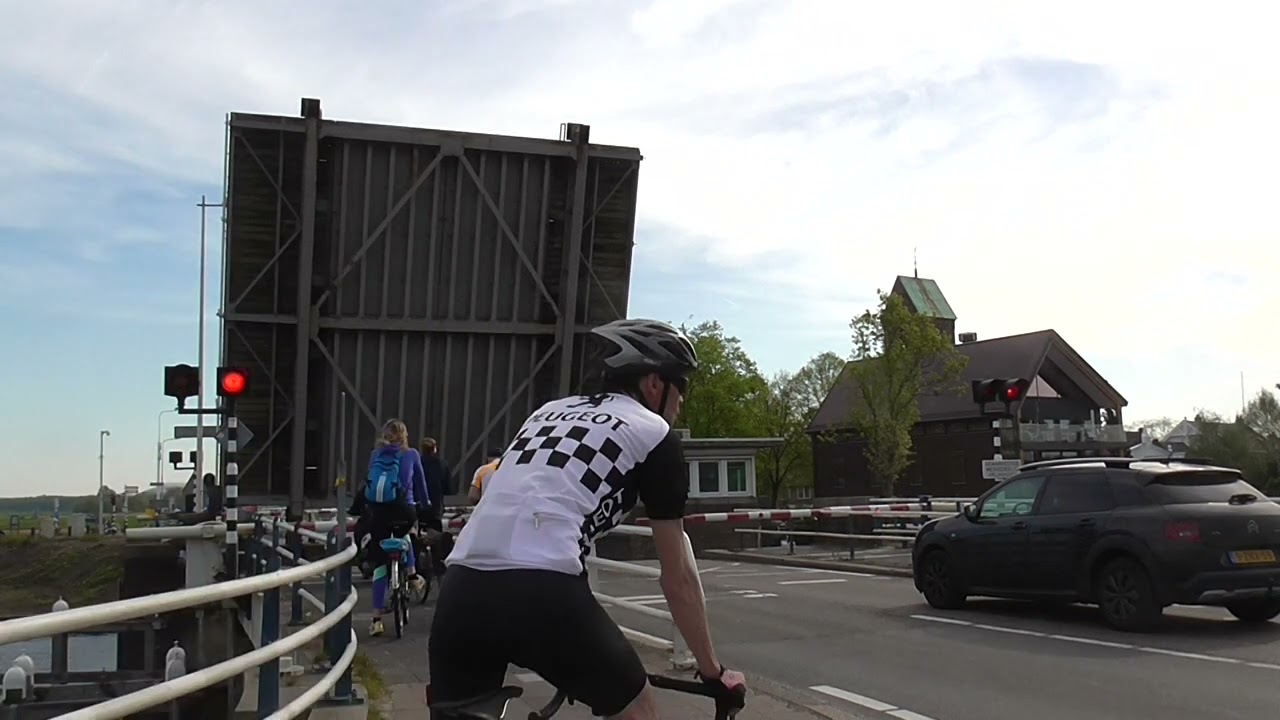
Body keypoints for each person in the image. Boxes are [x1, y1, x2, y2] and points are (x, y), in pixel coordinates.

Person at [427, 319, 747, 719]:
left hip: (461, 587)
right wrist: (712, 672)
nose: (682, 399)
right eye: (680, 384)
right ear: (653, 383)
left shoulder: (546, 413)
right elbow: (677, 574)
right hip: (542, 590)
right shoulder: (653, 433)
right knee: (638, 710)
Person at [360, 419, 430, 637]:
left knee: (381, 565)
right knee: (407, 534)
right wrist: (426, 504)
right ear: (405, 436)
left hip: (379, 512)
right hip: (404, 510)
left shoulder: (375, 454)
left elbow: (370, 483)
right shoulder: (412, 455)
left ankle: (376, 619)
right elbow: (421, 484)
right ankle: (411, 574)